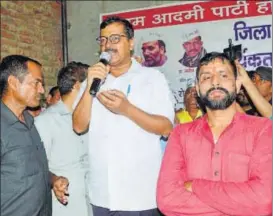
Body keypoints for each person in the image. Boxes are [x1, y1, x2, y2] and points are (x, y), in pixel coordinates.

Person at [73, 16, 174, 216]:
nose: (108, 45)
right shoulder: (93, 80)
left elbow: (166, 128)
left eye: (115, 39)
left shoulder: (152, 79)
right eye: (103, 40)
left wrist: (127, 109)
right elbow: (78, 126)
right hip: (102, 195)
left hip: (139, 196)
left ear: (131, 42)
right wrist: (89, 87)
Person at [157, 52, 272, 215]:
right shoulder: (180, 134)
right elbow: (167, 199)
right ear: (197, 88)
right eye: (205, 77)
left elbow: (264, 201)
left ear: (238, 84)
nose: (215, 81)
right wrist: (240, 206)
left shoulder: (263, 130)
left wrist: (195, 186)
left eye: (223, 75)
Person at [0, 55, 69, 216]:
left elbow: (33, 170)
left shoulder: (30, 122)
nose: (42, 90)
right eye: (36, 83)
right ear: (13, 82)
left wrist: (53, 180)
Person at [35, 61, 91, 216]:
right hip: (64, 208)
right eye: (91, 84)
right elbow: (37, 168)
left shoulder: (91, 116)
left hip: (91, 203)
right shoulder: (46, 121)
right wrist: (55, 182)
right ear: (78, 86)